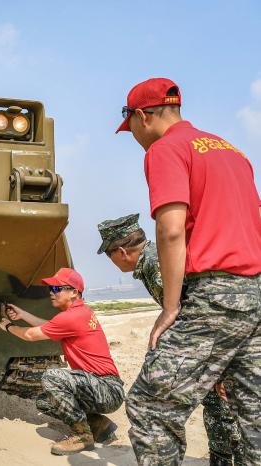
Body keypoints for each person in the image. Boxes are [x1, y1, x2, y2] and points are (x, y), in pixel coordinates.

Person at [116, 77, 261, 465]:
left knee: (150, 407)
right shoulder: (233, 152)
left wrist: (170, 306)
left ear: (142, 116)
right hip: (255, 295)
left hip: (214, 295)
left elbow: (171, 228)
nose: (131, 134)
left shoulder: (166, 149)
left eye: (128, 124)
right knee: (255, 418)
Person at [97, 213, 244, 465]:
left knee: (221, 411)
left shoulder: (156, 265)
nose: (112, 262)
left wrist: (223, 369)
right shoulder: (153, 260)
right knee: (219, 410)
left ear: (121, 251)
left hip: (218, 342)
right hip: (216, 343)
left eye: (109, 256)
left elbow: (202, 315)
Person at [0, 267, 124, 455]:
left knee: (52, 377)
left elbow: (31, 335)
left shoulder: (73, 316)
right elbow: (50, 326)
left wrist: (7, 326)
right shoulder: (79, 312)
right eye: (51, 289)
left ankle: (82, 436)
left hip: (107, 388)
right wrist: (23, 315)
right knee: (45, 402)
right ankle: (99, 425)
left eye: (57, 289)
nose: (51, 293)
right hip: (102, 386)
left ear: (74, 292)